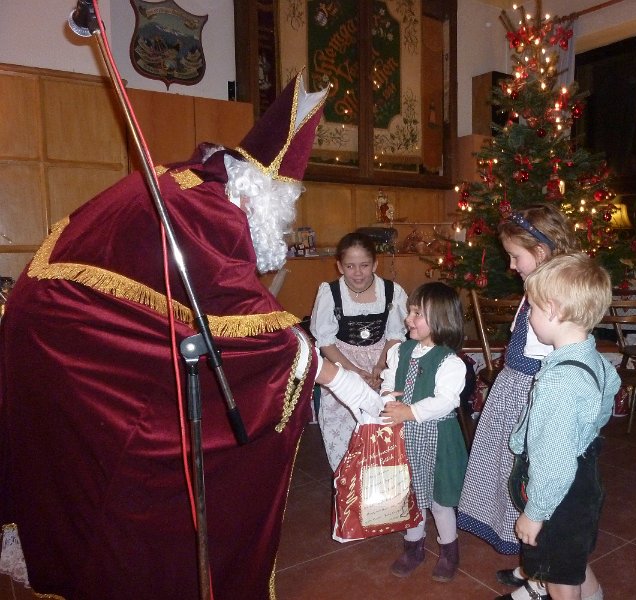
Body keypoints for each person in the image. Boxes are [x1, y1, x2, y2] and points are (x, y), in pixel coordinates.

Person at [0, 73, 379, 600]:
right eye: (287, 200)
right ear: (262, 190)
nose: (287, 218)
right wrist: (343, 381)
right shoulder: (214, 212)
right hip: (68, 335)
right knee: (134, 456)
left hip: (58, 324)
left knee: (108, 463)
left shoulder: (200, 183)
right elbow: (256, 333)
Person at [458, 204, 578, 595]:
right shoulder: (537, 291)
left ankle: (541, 578)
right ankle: (532, 566)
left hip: (531, 400)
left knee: (528, 483)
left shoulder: (553, 298)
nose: (510, 266)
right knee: (513, 482)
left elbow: (554, 361)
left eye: (515, 256)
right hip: (514, 394)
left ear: (540, 253)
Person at [504, 253, 620, 600]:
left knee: (556, 574)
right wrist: (584, 432)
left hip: (558, 496)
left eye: (532, 309)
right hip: (584, 478)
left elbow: (553, 463)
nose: (529, 316)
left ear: (553, 311)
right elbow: (609, 394)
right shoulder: (594, 359)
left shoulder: (559, 382)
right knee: (572, 559)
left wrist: (535, 513)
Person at [378, 281, 467, 583]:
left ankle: (449, 550)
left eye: (417, 313)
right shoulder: (401, 351)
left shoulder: (450, 362)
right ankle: (413, 546)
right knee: (409, 495)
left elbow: (446, 400)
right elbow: (389, 381)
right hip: (405, 438)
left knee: (440, 500)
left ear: (440, 319)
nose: (408, 319)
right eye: (410, 312)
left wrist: (410, 411)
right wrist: (388, 397)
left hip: (437, 439)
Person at [310, 231, 408, 470]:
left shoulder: (392, 292)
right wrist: (353, 371)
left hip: (383, 360)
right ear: (339, 266)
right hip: (342, 362)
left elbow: (395, 335)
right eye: (350, 266)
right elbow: (325, 341)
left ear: (375, 264)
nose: (357, 273)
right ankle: (347, 476)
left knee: (382, 421)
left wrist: (381, 366)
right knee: (343, 423)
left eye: (364, 265)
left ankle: (381, 474)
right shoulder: (330, 293)